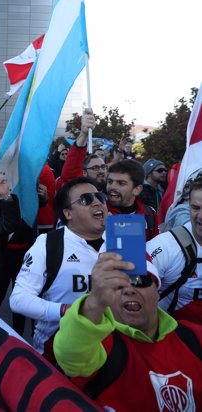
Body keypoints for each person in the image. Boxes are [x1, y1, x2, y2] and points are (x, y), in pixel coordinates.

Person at [54, 252, 202, 409]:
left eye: (139, 281)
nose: (129, 290)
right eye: (117, 285)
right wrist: (93, 303)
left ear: (157, 292)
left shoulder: (193, 337)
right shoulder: (99, 345)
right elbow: (71, 355)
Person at [11, 177, 108, 360]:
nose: (97, 202)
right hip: (59, 351)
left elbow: (144, 287)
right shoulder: (48, 244)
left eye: (100, 197)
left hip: (112, 348)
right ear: (68, 213)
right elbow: (19, 299)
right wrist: (67, 311)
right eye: (86, 199)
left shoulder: (123, 237)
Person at [148, 177, 202, 324]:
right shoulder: (167, 245)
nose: (200, 216)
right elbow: (131, 292)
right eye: (195, 208)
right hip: (176, 340)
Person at [106, 159, 159, 240]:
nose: (112, 187)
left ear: (137, 189)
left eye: (121, 183)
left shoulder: (149, 214)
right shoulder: (99, 213)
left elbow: (155, 248)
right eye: (110, 181)